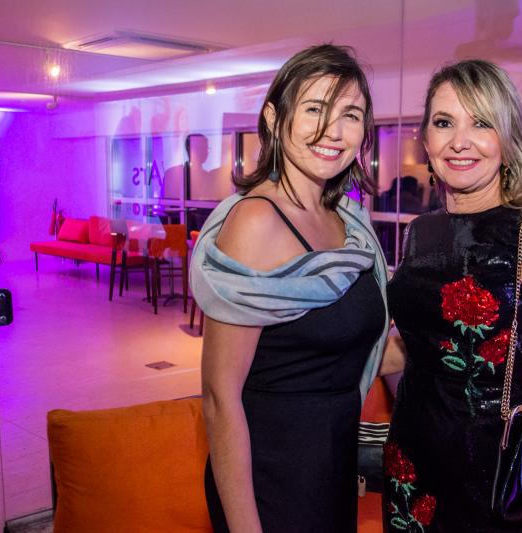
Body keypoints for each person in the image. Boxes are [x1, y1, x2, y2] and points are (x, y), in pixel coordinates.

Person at [379, 60, 522, 532]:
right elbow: (417, 346)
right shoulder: (419, 233)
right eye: (444, 122)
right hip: (411, 466)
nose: (460, 141)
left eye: (481, 123)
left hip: (496, 477)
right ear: (426, 139)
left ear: (508, 138)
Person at [190, 44, 390, 533]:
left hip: (332, 468)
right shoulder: (256, 221)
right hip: (270, 478)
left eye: (350, 115)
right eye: (315, 109)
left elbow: (347, 347)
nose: (333, 131)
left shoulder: (348, 222)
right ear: (274, 119)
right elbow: (219, 397)